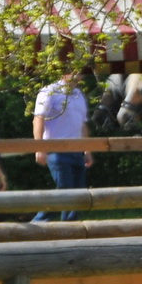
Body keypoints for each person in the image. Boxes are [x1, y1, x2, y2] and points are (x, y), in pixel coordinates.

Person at [32, 71, 92, 222]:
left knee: (78, 193)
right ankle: (45, 224)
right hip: (56, 150)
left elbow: (82, 124)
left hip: (77, 150)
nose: (79, 76)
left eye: (81, 72)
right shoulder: (49, 92)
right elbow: (38, 119)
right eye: (75, 71)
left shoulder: (78, 94)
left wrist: (87, 149)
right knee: (65, 191)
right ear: (64, 72)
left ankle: (66, 227)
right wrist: (39, 147)